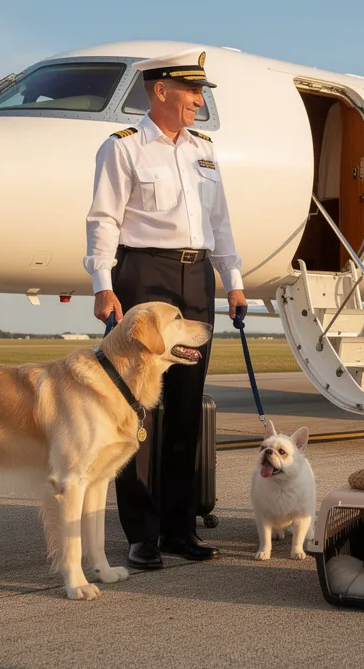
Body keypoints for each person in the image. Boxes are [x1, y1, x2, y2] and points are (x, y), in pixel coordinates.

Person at [84, 48, 248, 570]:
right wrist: (103, 283)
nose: (200, 101)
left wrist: (234, 282)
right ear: (161, 91)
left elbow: (220, 224)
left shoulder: (204, 150)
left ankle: (180, 528)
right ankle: (142, 533)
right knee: (136, 408)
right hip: (144, 273)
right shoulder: (124, 148)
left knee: (184, 408)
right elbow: (104, 219)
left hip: (196, 276)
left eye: (201, 93)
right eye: (192, 91)